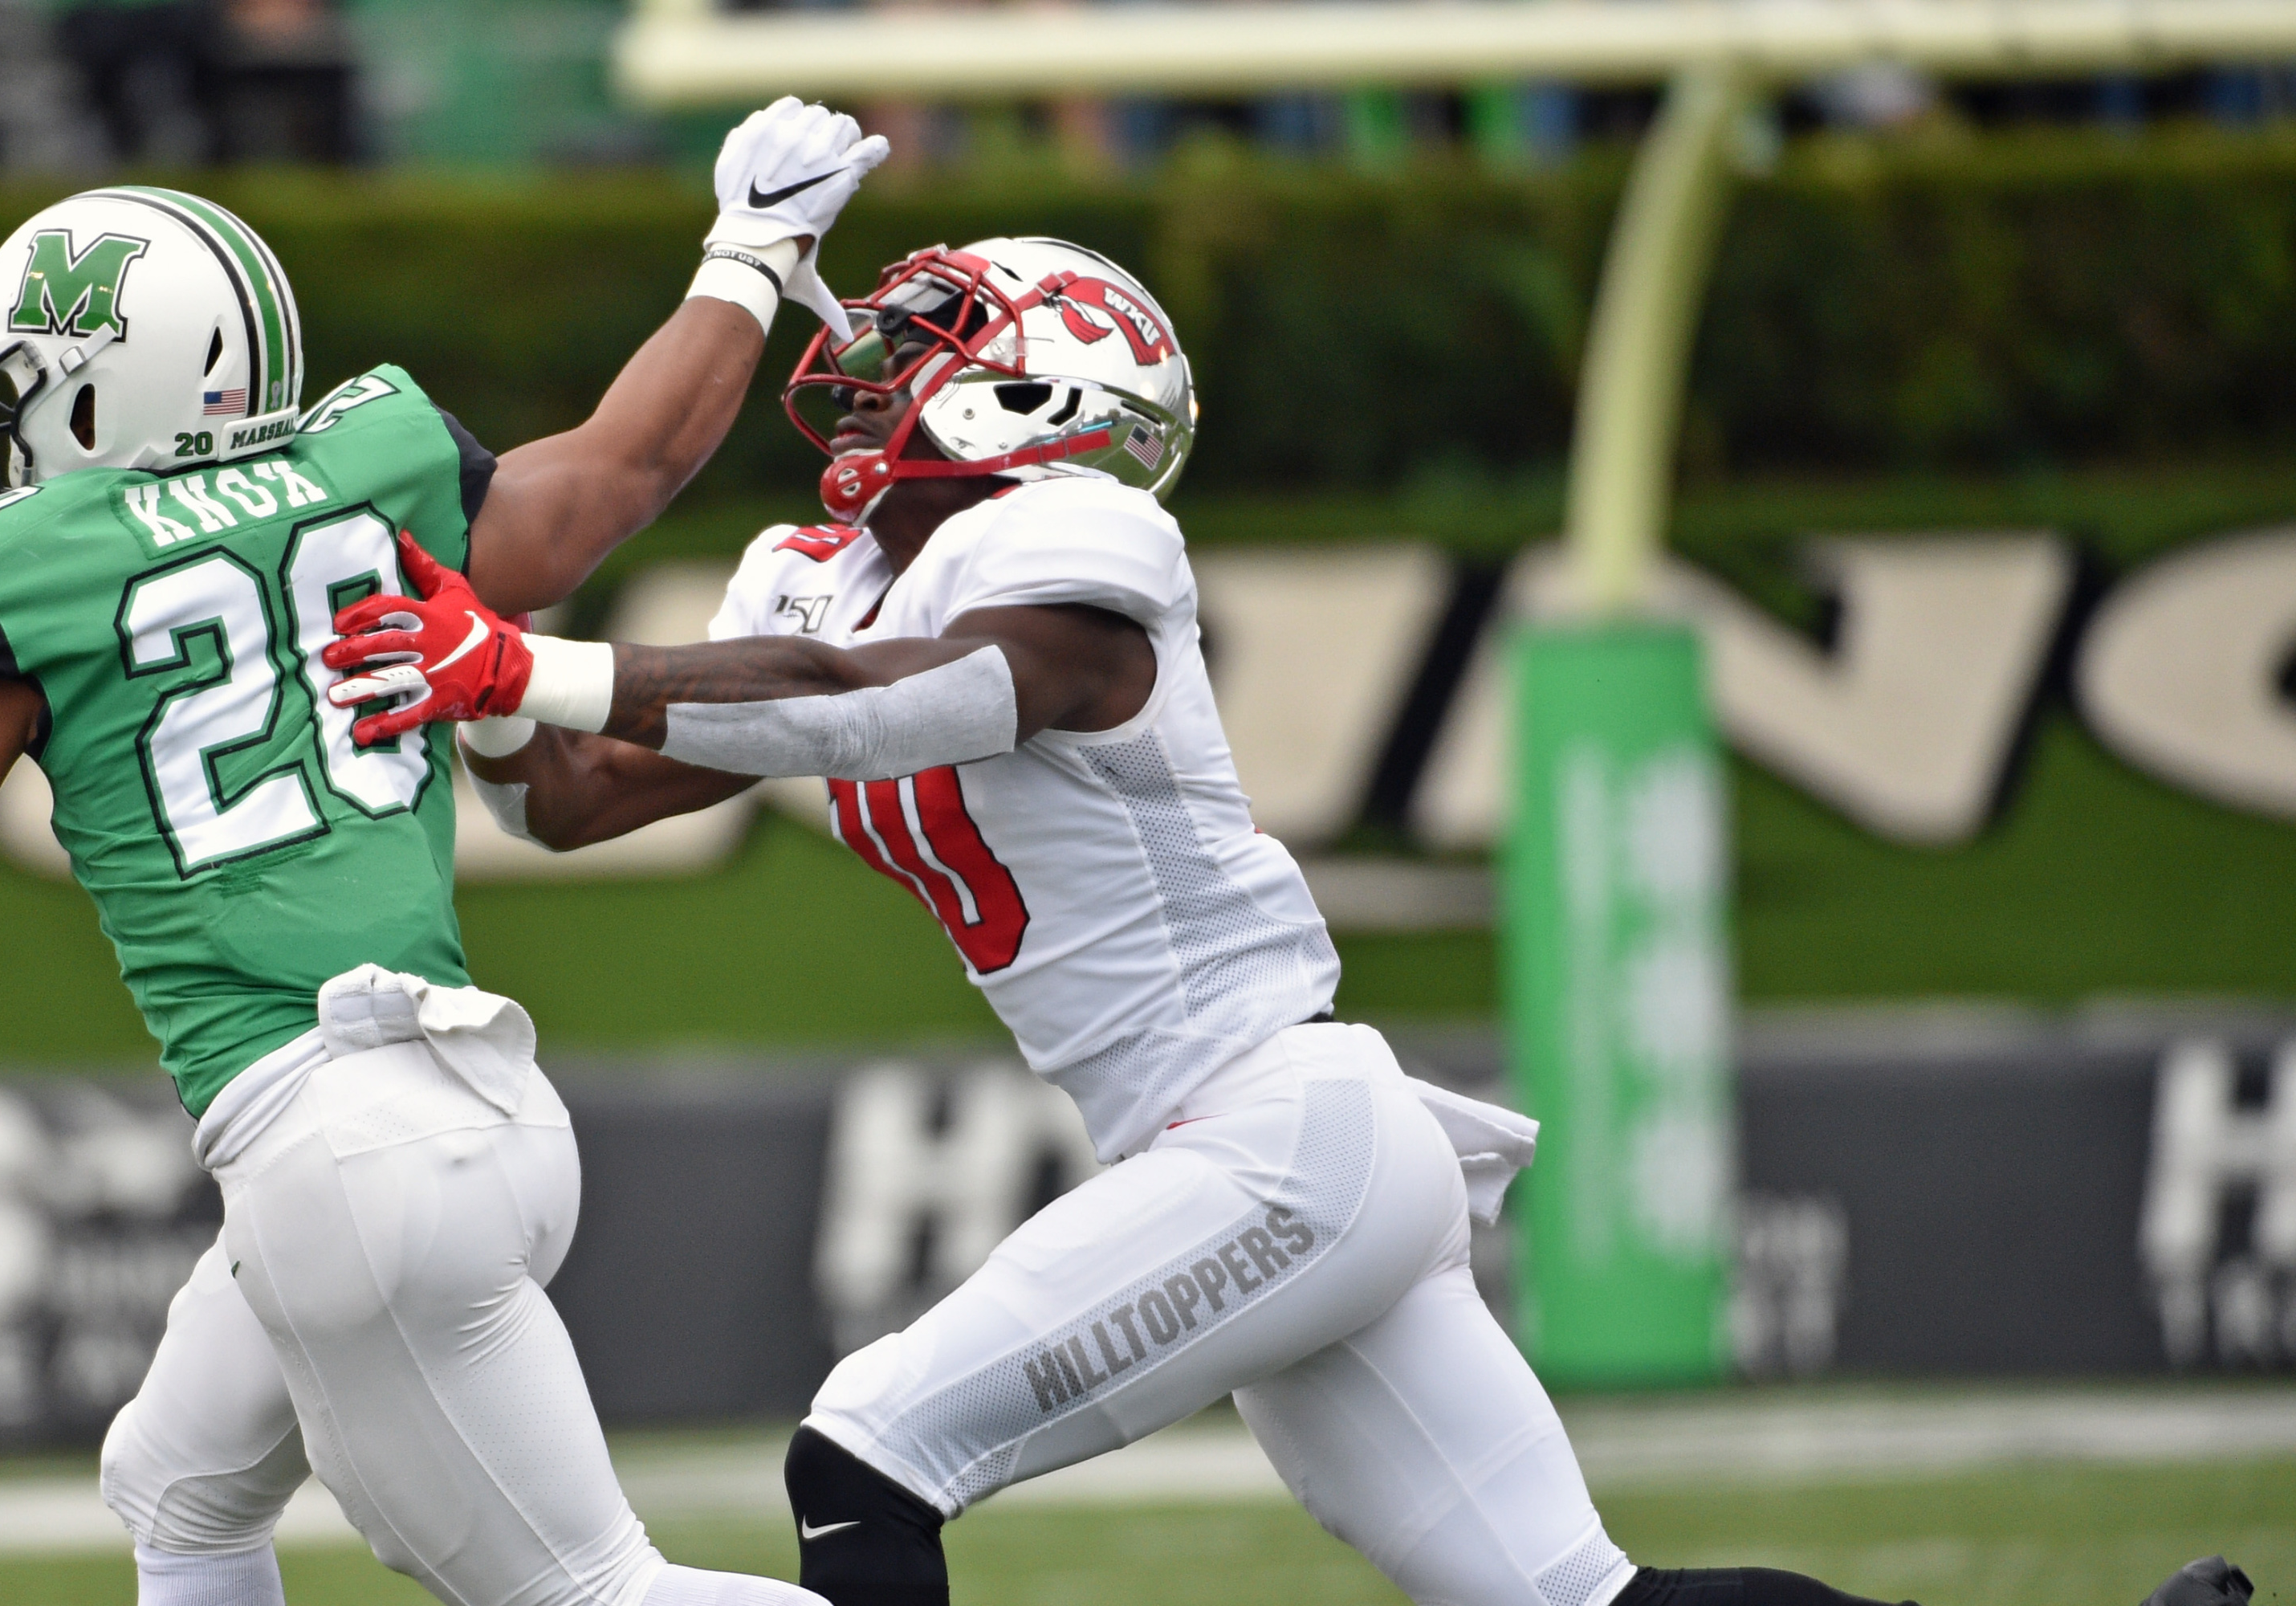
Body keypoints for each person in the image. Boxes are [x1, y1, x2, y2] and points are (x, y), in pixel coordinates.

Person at [320, 236, 2259, 1606]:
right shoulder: (824, 587)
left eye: (924, 338)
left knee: (862, 1453)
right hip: (1252, 1150)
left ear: (1034, 390)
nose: (870, 368)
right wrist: (460, 667)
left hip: (1277, 1130)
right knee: (1574, 1599)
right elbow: (576, 803)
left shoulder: (1072, 539)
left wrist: (560, 669)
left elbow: (986, 687)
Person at [0, 100, 889, 1606]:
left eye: (28, 385)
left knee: (588, 1592)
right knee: (180, 1488)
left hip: (334, 1147)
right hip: (463, 1104)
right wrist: (748, 252)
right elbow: (621, 471)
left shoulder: (24, 569)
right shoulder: (373, 463)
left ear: (100, 393)